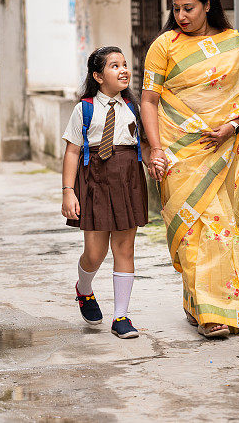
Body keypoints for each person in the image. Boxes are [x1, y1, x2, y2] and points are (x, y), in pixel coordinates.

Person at [140, 0, 239, 338]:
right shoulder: (164, 46)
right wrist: (156, 149)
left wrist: (232, 126)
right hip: (178, 154)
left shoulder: (232, 42)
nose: (182, 15)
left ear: (208, 5)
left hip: (220, 149)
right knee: (193, 231)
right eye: (175, 9)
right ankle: (209, 313)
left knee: (220, 230)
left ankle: (208, 308)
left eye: (188, 8)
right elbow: (148, 100)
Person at [60, 46, 163, 339]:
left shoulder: (134, 107)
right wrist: (68, 191)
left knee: (124, 249)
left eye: (125, 64)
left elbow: (140, 143)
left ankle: (121, 316)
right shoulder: (85, 108)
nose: (123, 70)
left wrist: (154, 157)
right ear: (98, 75)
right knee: (95, 253)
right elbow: (72, 151)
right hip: (94, 180)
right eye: (114, 65)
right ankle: (85, 289)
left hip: (127, 178)